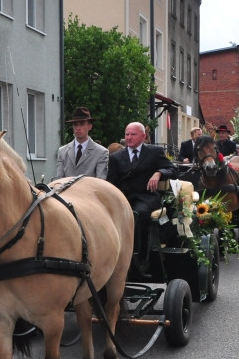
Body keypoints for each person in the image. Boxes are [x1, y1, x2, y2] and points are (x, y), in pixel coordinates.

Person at [107, 122, 176, 272]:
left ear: (143, 136)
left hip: (146, 197)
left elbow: (173, 169)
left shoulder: (154, 152)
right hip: (123, 198)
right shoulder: (116, 157)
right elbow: (110, 182)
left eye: (133, 134)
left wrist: (159, 173)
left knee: (138, 214)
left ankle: (139, 258)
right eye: (127, 134)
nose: (129, 138)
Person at [55, 107, 109, 179]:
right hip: (67, 190)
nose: (78, 128)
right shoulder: (62, 151)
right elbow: (59, 181)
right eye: (75, 124)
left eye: (82, 124)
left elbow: (100, 182)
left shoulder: (101, 153)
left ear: (90, 126)